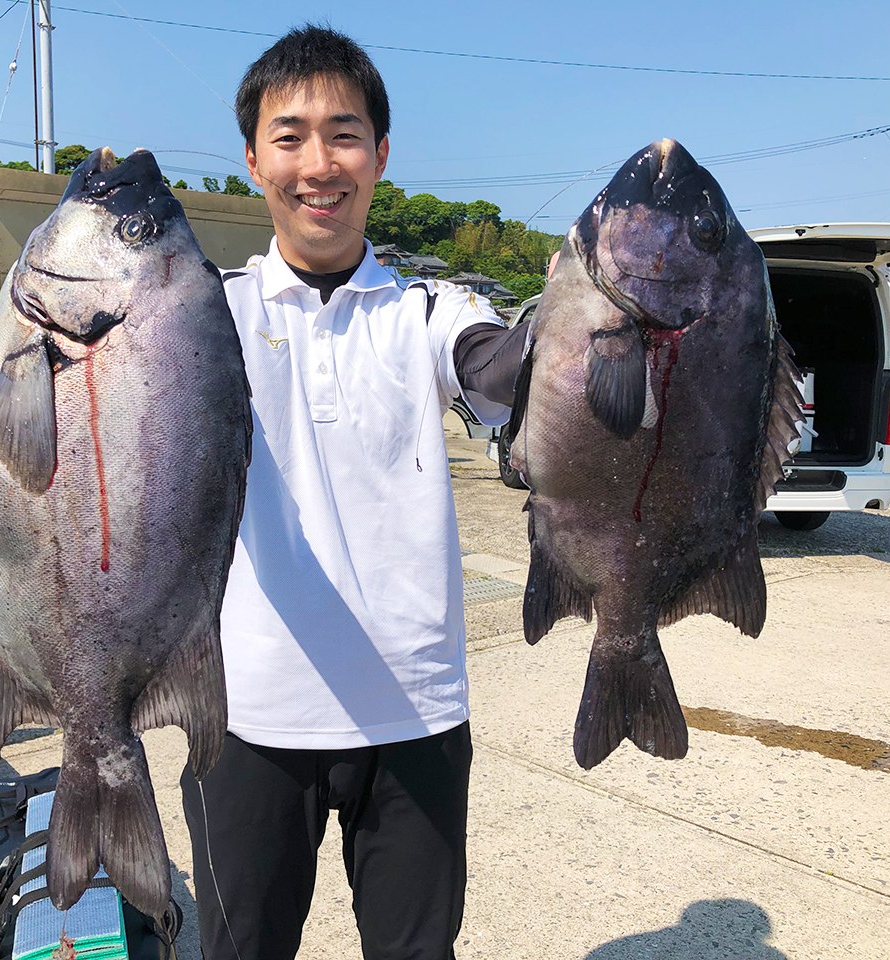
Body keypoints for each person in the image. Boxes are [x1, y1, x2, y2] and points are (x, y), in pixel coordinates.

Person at [178, 24, 530, 960]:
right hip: (246, 714)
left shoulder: (429, 310)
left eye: (344, 133)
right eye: (288, 135)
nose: (317, 162)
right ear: (252, 158)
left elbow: (495, 372)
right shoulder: (206, 312)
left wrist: (571, 331)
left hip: (414, 709)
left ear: (381, 153)